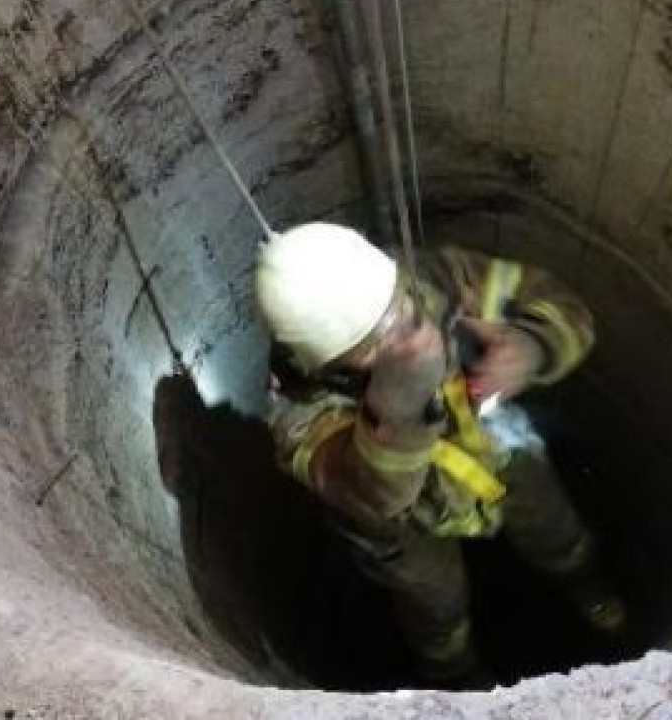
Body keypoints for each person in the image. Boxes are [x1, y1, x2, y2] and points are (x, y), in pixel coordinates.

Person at [255, 222, 625, 688]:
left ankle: (582, 579)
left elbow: (566, 308)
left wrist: (535, 346)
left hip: (489, 445)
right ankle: (456, 675)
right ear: (326, 363)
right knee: (435, 602)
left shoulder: (436, 280)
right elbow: (378, 496)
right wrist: (399, 403)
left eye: (403, 312)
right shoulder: (298, 410)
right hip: (405, 522)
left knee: (553, 524)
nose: (407, 334)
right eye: (375, 347)